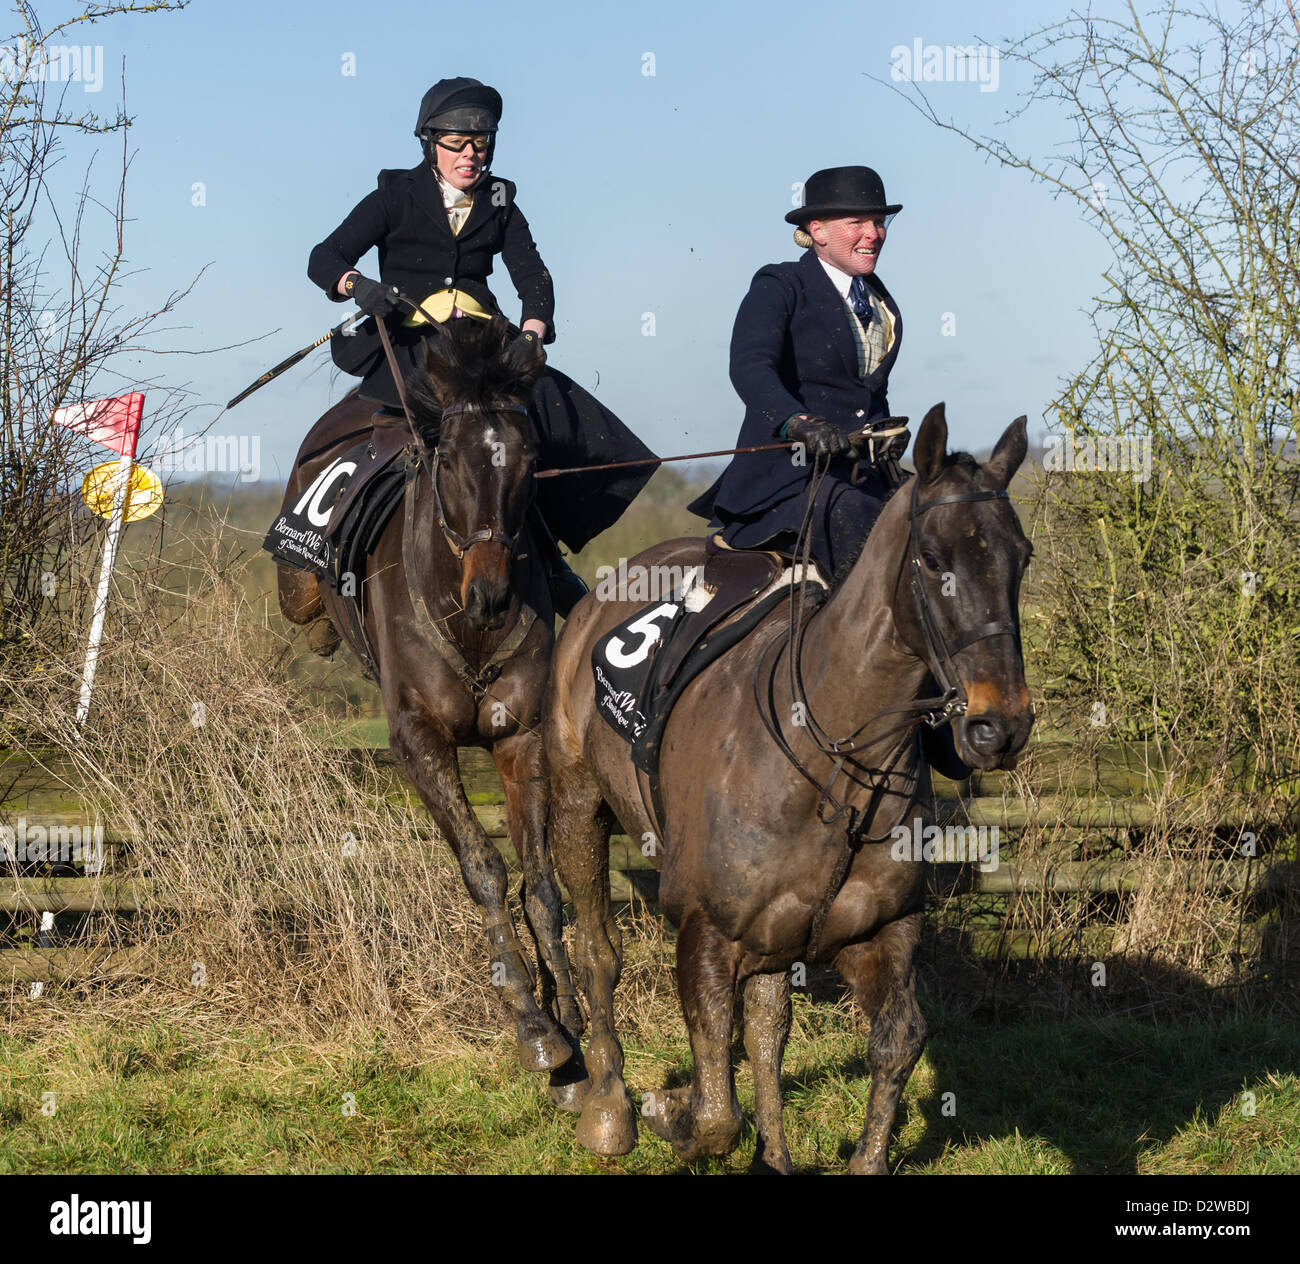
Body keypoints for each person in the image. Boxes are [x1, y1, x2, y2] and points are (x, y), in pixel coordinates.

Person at [303, 77, 657, 614]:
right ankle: (325, 552)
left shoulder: (501, 200)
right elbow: (324, 258)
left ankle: (550, 561)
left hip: (485, 346)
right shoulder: (392, 197)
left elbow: (534, 279)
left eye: (481, 144)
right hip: (410, 343)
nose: (470, 156)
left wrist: (532, 336)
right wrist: (357, 284)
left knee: (545, 434)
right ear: (429, 144)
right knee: (388, 440)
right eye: (456, 144)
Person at [688, 165, 906, 578]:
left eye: (878, 222)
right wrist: (797, 422)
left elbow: (864, 396)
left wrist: (883, 434)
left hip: (861, 475)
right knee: (856, 517)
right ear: (818, 230)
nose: (874, 234)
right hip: (789, 477)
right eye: (857, 223)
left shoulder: (882, 304)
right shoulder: (781, 285)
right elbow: (750, 366)